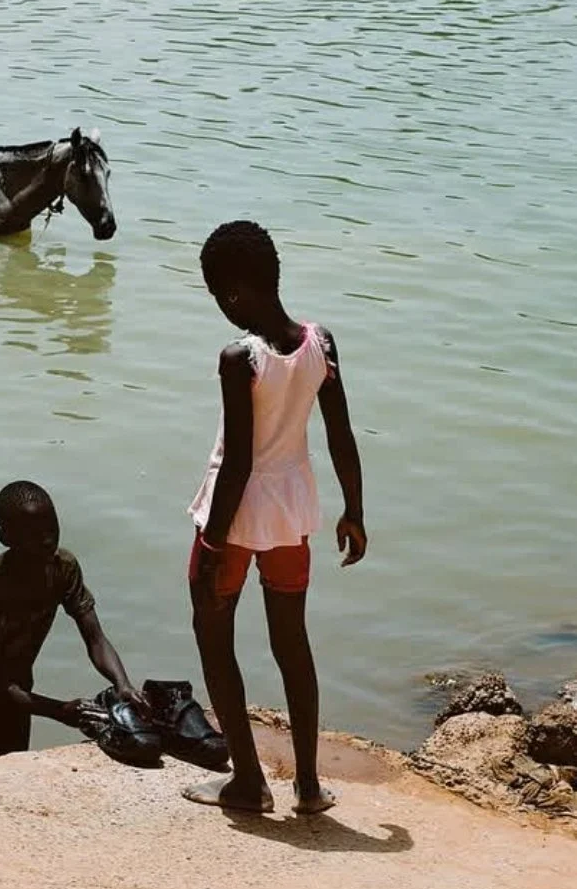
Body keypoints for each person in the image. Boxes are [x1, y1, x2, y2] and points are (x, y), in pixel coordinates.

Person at [185, 221, 366, 815]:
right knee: (293, 643)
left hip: (236, 515)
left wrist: (212, 544)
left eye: (217, 296)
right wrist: (354, 511)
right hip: (292, 512)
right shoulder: (323, 343)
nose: (220, 308)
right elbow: (339, 433)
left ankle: (247, 782)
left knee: (214, 637)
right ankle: (308, 786)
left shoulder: (240, 358)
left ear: (235, 293)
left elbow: (237, 462)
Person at [0, 480, 145, 765]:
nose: (47, 541)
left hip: (15, 681)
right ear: (4, 537)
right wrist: (59, 710)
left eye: (52, 529)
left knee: (9, 766)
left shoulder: (63, 567)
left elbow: (95, 638)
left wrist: (122, 684)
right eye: (33, 535)